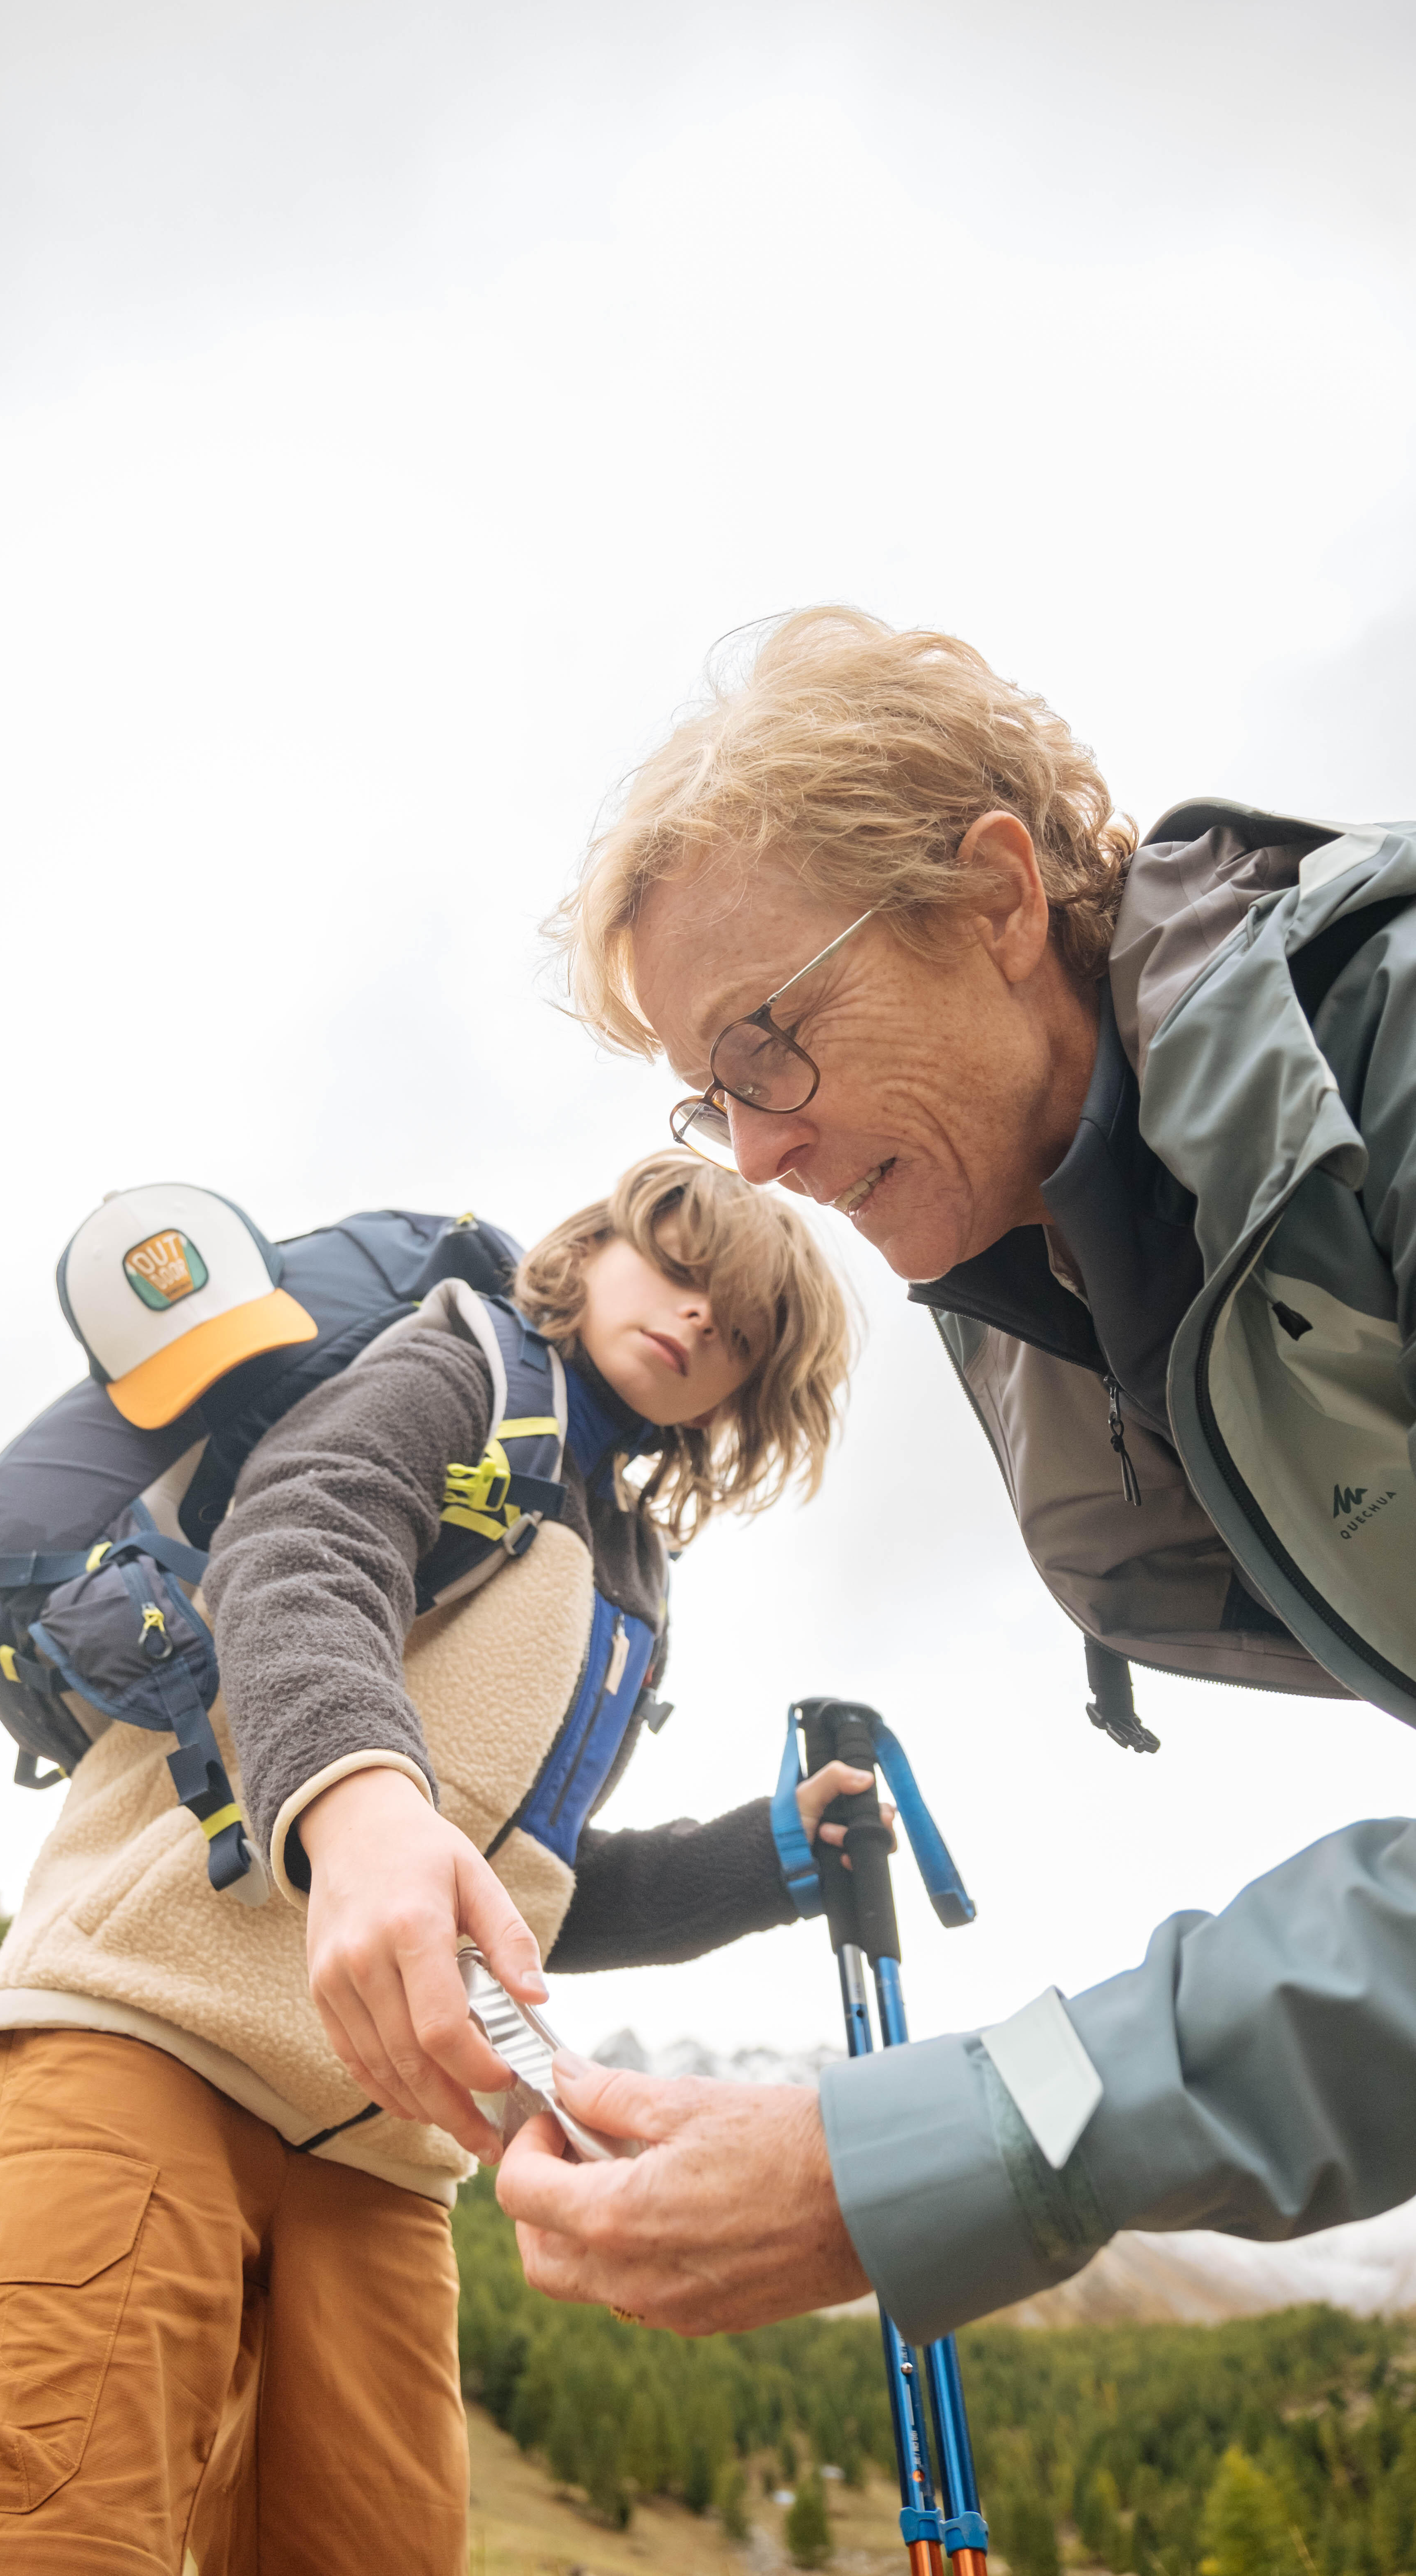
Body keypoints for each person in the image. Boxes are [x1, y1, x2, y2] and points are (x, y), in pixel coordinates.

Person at [496, 606, 1416, 2347]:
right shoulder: (1051, 1292)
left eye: (768, 1037)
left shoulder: (1391, 1057)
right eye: (711, 1097)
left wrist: (948, 2147)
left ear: (997, 899)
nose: (758, 1148)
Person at [0, 1153, 856, 2576]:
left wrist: (776, 1855)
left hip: (387, 2150)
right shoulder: (467, 1364)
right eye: (682, 1269)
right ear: (590, 1256)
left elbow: (524, 1881)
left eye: (748, 1329)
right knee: (36, 2541)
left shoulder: (628, 1577)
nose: (704, 1322)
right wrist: (360, 1796)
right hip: (157, 2029)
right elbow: (306, 1539)